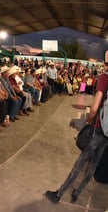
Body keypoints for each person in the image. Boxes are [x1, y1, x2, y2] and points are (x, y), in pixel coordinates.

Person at [45, 51, 108, 204]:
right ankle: (77, 193)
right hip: (107, 134)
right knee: (93, 165)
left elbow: (95, 107)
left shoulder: (104, 78)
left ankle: (59, 194)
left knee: (80, 164)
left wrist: (89, 121)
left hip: (98, 129)